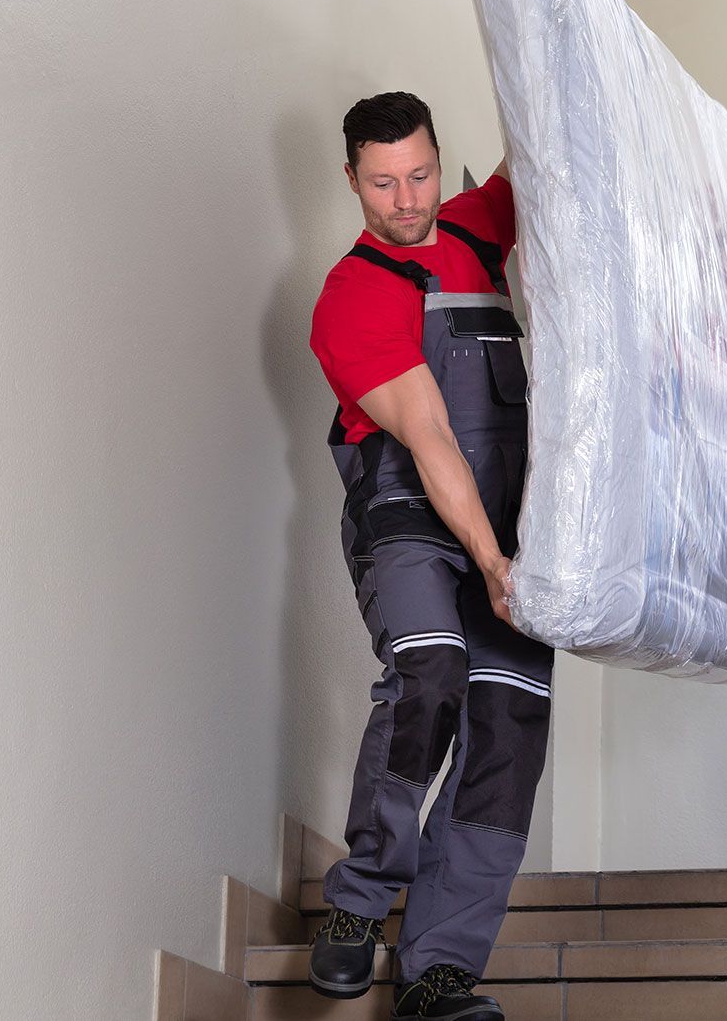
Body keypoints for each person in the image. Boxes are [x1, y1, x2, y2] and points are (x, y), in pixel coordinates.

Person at [306, 91, 552, 1021]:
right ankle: (363, 901)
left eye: (420, 175)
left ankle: (440, 973)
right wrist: (492, 565)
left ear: (439, 162)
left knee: (507, 734)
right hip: (411, 508)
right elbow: (433, 435)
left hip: (511, 522)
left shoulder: (477, 227)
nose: (407, 200)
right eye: (383, 183)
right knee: (432, 674)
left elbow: (547, 158)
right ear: (351, 181)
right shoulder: (354, 292)